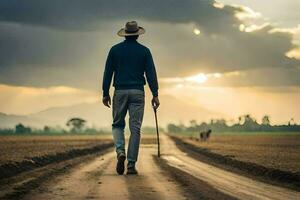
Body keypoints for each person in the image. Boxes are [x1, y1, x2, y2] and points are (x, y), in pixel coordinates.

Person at [102, 21, 160, 175]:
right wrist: (155, 94)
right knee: (135, 129)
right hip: (137, 92)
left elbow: (108, 72)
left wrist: (105, 92)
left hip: (120, 91)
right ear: (137, 35)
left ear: (125, 34)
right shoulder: (145, 51)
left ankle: (121, 152)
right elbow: (151, 73)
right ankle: (131, 165)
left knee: (117, 125)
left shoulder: (114, 50)